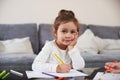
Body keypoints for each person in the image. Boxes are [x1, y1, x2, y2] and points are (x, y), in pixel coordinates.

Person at [32, 9, 85, 74]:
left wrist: (71, 48)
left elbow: (79, 67)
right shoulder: (49, 46)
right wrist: (56, 68)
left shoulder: (73, 48)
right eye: (64, 31)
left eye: (72, 32)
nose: (68, 35)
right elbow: (35, 65)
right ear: (55, 32)